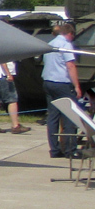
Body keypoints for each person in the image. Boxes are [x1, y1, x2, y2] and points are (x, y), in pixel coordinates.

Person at [42, 22, 84, 159]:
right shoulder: (66, 45)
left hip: (48, 82)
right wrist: (77, 86)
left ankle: (54, 149)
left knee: (53, 117)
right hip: (62, 83)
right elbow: (70, 66)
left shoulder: (51, 43)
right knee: (70, 116)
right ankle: (70, 150)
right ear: (70, 34)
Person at [0, 61, 28, 134]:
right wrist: (8, 74)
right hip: (2, 75)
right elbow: (2, 60)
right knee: (12, 99)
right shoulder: (2, 49)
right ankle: (15, 126)